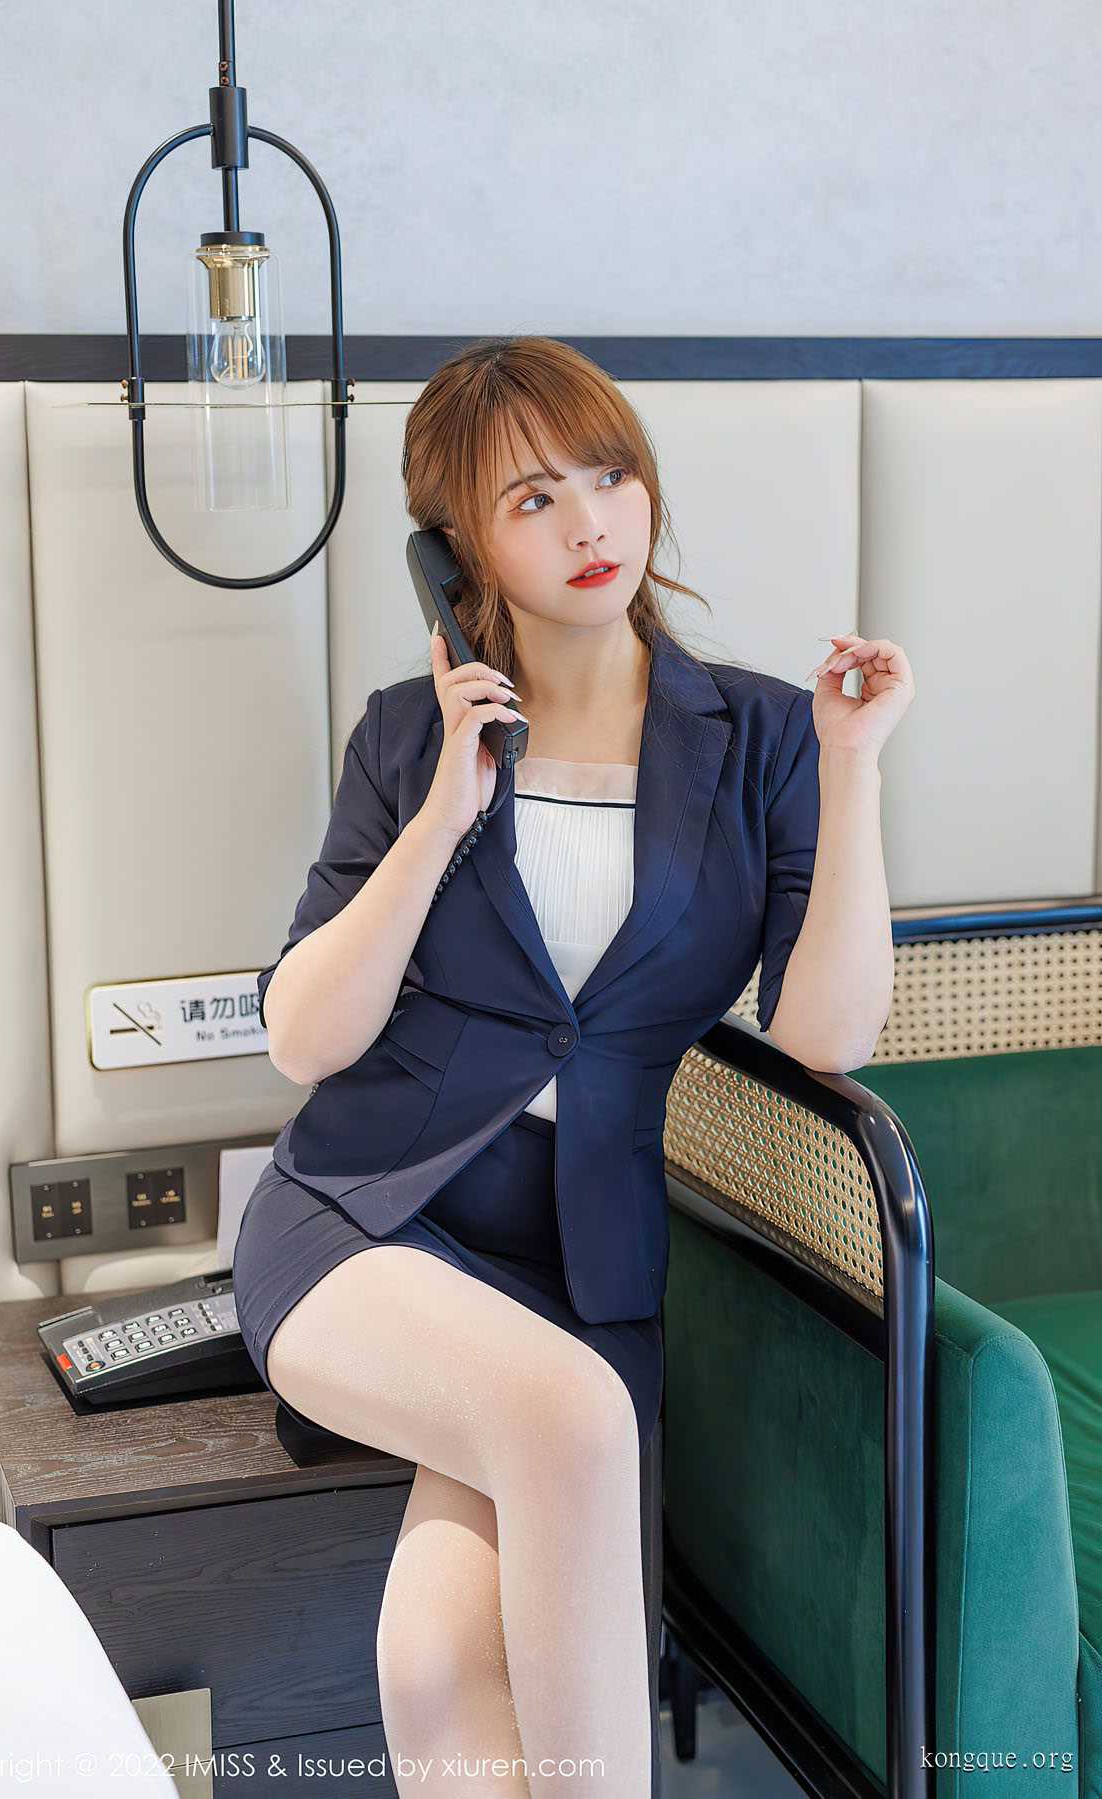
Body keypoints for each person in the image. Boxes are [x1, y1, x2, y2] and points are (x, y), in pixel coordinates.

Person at [232, 336, 912, 1795]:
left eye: (607, 477)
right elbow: (304, 1038)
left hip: (581, 1262)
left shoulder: (765, 737)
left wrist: (855, 766)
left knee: (433, 1663)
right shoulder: (409, 735)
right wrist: (443, 812)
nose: (591, 523)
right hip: (367, 1221)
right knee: (574, 1420)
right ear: (456, 552)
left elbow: (824, 1036)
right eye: (533, 500)